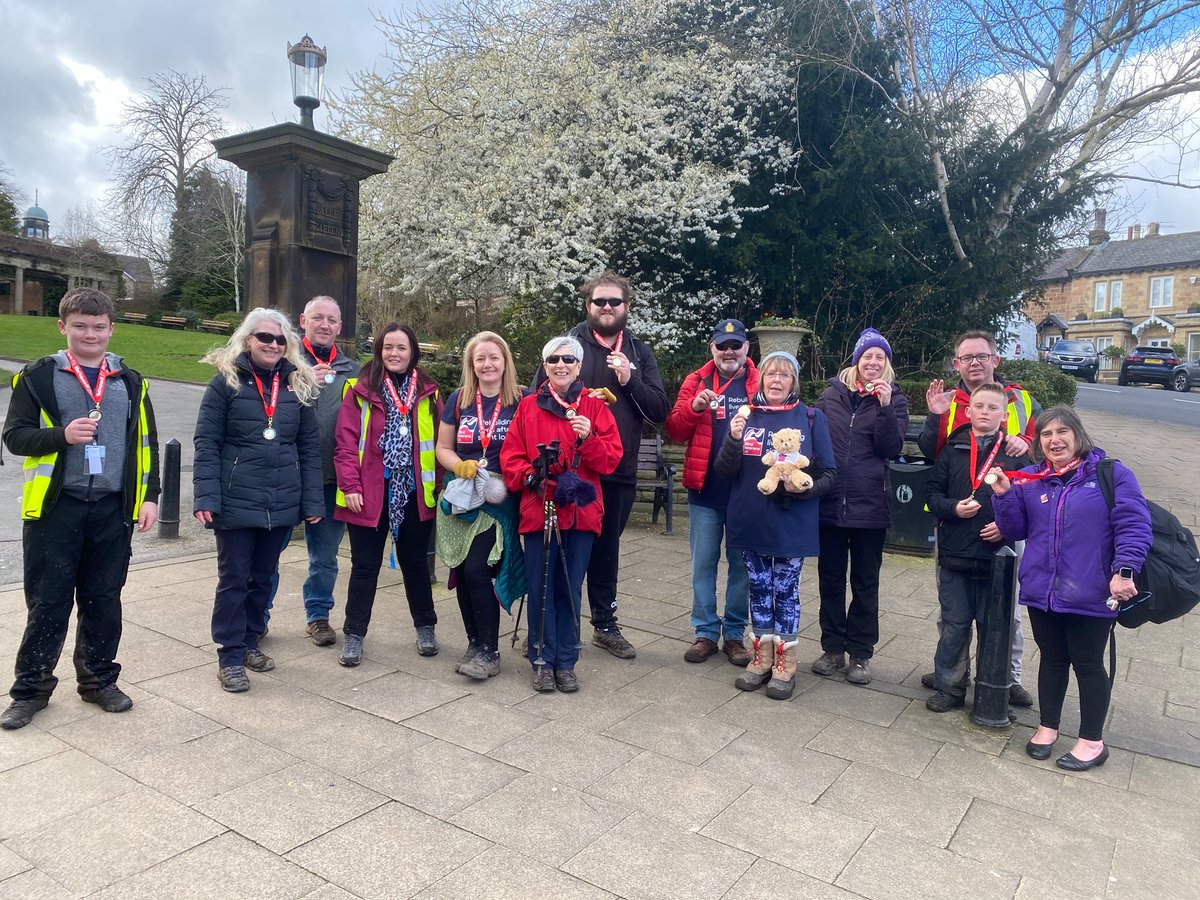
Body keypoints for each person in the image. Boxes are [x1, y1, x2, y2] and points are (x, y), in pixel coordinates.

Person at [1, 288, 159, 729]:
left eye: (98, 326)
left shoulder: (131, 380)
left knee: (104, 600)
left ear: (111, 328)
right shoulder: (38, 377)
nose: (90, 334)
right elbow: (15, 438)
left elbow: (146, 443)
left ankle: (98, 682)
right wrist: (62, 436)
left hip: (111, 509)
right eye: (80, 326)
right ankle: (30, 691)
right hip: (57, 509)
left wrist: (150, 496)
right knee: (48, 603)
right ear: (63, 327)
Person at [991, 406, 1151, 770]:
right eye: (1046, 434)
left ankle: (1092, 742)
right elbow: (1016, 529)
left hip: (1093, 589)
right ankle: (1048, 727)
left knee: (1088, 663)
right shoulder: (1031, 479)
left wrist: (1124, 571)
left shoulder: (1110, 474)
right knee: (1052, 659)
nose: (1054, 440)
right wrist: (1002, 494)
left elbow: (1134, 525)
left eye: (1062, 432)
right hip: (1044, 590)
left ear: (1078, 435)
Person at [533, 273, 668, 659]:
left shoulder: (639, 352)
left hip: (618, 467)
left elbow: (659, 411)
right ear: (587, 306)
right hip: (570, 471)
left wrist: (630, 378)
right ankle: (562, 624)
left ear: (627, 307)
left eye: (614, 302)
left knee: (607, 549)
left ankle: (605, 625)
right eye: (599, 302)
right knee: (568, 548)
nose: (606, 308)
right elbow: (535, 398)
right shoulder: (567, 346)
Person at [193, 308, 323, 692]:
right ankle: (230, 655)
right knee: (234, 579)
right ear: (248, 340)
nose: (273, 344)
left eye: (280, 339)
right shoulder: (225, 383)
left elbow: (309, 447)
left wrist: (312, 502)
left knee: (263, 578)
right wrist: (206, 495)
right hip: (235, 499)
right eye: (265, 337)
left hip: (280, 501)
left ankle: (250, 641)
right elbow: (207, 443)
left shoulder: (297, 386)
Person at [918, 330, 1040, 708]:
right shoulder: (948, 404)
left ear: (995, 359)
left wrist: (1027, 444)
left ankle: (1003, 680)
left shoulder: (1021, 400)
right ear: (956, 363)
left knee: (1003, 619)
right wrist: (933, 417)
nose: (974, 362)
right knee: (953, 618)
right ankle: (951, 680)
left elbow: (1040, 465)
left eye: (981, 356)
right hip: (956, 536)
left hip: (1000, 540)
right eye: (966, 357)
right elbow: (930, 461)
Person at [502, 336, 622, 692]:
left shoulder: (596, 408)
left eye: (568, 359)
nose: (561, 365)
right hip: (541, 508)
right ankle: (541, 658)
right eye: (553, 359)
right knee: (541, 585)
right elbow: (511, 456)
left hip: (581, 512)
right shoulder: (528, 407)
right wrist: (529, 476)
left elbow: (611, 460)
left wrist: (589, 439)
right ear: (545, 365)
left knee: (569, 587)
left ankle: (566, 661)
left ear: (579, 366)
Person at [715, 351, 836, 700]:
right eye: (771, 374)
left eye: (784, 375)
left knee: (784, 592)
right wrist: (733, 439)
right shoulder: (746, 416)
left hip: (790, 522)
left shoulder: (812, 418)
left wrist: (803, 487)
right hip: (750, 520)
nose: (777, 381)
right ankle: (761, 658)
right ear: (761, 379)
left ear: (794, 381)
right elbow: (726, 471)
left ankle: (786, 663)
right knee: (758, 589)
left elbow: (829, 473)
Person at [334, 322, 443, 666]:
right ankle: (353, 635)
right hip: (368, 493)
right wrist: (349, 485)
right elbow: (346, 442)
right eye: (388, 348)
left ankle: (426, 627)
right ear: (379, 350)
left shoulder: (430, 391)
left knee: (415, 564)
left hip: (413, 492)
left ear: (413, 353)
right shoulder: (359, 388)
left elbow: (440, 443)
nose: (394, 354)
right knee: (365, 566)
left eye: (402, 348)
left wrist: (439, 486)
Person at [812, 328, 909, 686]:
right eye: (867, 356)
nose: (873, 362)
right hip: (831, 503)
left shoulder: (894, 401)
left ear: (886, 365)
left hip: (871, 506)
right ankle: (832, 648)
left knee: (866, 582)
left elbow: (890, 448)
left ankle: (861, 654)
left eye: (879, 358)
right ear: (856, 361)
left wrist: (884, 408)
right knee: (831, 579)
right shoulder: (829, 397)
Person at [665, 318, 759, 666]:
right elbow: (674, 429)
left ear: (747, 348)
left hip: (746, 493)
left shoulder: (759, 381)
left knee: (741, 568)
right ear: (713, 348)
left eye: (736, 345)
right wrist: (695, 408)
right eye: (723, 346)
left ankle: (734, 635)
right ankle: (705, 632)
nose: (729, 352)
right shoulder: (697, 380)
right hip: (705, 492)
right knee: (702, 565)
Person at [435, 331, 526, 680]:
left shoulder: (522, 400)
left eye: (494, 358)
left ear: (505, 362)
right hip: (462, 496)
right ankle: (475, 643)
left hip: (500, 498)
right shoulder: (459, 399)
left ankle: (490, 650)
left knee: (477, 569)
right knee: (461, 568)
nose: (487, 364)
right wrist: (458, 464)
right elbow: (443, 447)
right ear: (471, 365)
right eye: (480, 359)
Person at [278, 295, 361, 646]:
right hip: (285, 474)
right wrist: (299, 380)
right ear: (303, 320)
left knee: (325, 556)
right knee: (269, 554)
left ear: (340, 327)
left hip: (331, 478)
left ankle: (318, 617)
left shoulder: (353, 371)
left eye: (332, 320)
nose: (325, 325)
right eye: (318, 318)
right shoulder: (283, 363)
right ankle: (257, 617)